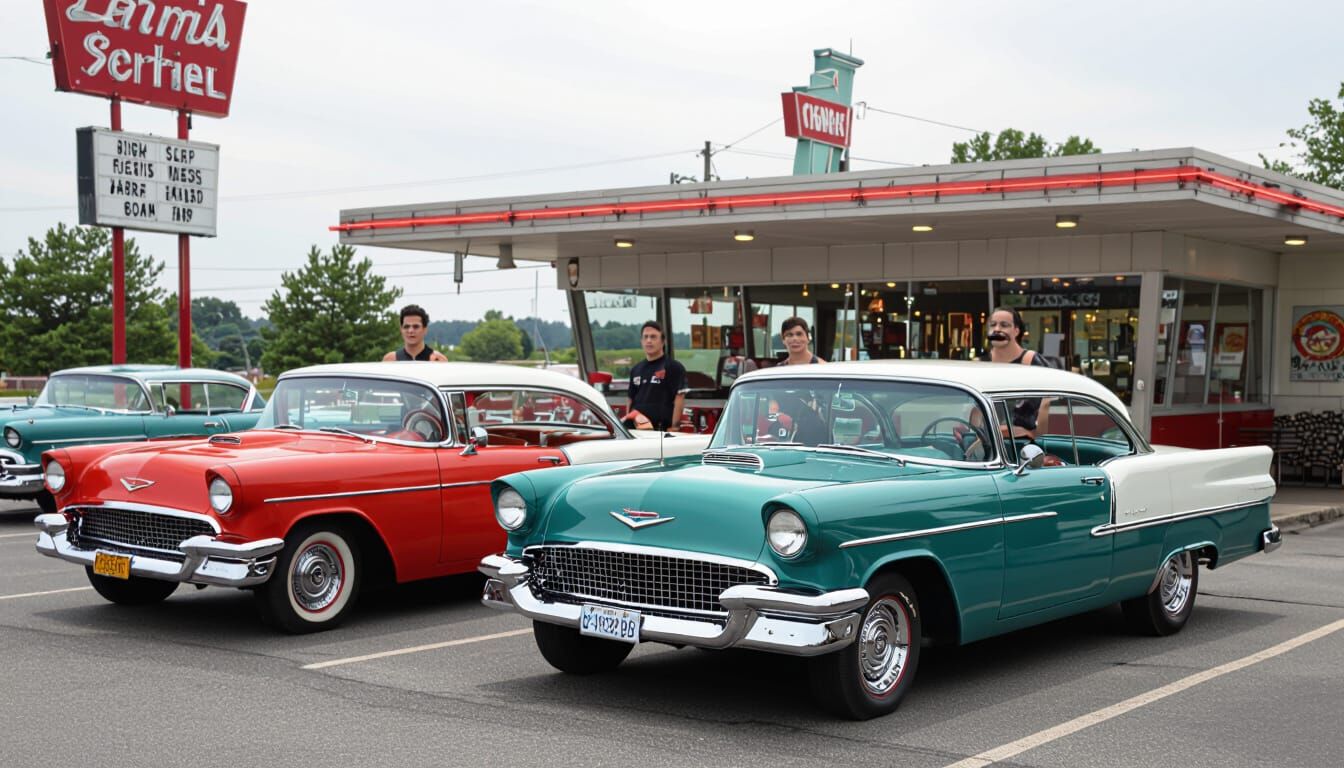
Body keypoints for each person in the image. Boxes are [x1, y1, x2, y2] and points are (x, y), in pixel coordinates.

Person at [978, 306, 1050, 437]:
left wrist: (1037, 437)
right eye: (993, 325)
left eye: (1004, 325)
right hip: (988, 442)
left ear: (1016, 330)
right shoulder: (981, 363)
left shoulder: (1032, 362)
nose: (997, 329)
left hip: (1024, 443)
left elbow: (1047, 403)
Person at [624, 321, 687, 431]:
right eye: (645, 337)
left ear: (663, 341)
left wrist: (675, 426)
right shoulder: (636, 369)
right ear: (641, 341)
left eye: (653, 337)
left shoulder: (674, 367)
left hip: (660, 430)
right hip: (636, 429)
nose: (649, 340)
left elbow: (679, 397)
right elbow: (630, 399)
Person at [383, 304, 448, 361]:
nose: (410, 331)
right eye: (406, 326)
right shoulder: (391, 360)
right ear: (401, 329)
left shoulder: (438, 360)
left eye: (416, 326)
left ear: (425, 330)